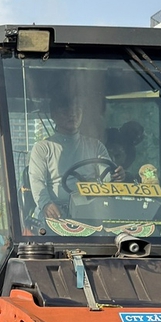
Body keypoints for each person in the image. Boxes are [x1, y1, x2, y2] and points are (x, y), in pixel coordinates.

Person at [26, 70, 112, 222]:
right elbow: (37, 181)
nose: (72, 114)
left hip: (92, 211)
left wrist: (116, 177)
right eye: (65, 110)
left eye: (76, 110)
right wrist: (46, 204)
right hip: (57, 213)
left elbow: (107, 178)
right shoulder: (43, 148)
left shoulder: (96, 146)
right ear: (53, 114)